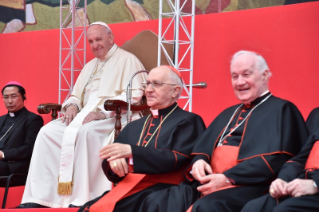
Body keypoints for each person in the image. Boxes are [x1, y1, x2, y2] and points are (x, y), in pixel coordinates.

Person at [18, 21, 146, 208]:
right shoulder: (90, 66)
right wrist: (71, 106)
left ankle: (83, 199)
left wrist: (102, 112)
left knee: (87, 133)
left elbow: (135, 94)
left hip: (113, 115)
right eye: (91, 41)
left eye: (99, 39)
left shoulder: (127, 60)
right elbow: (76, 96)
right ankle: (42, 198)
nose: (95, 45)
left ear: (110, 38)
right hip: (84, 115)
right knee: (47, 133)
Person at [184, 50, 309, 212]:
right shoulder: (228, 113)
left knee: (208, 205)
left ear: (264, 76)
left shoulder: (282, 109)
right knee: (171, 199)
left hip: (253, 185)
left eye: (246, 74)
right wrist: (199, 161)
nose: (239, 82)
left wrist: (228, 178)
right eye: (234, 76)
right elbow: (204, 148)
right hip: (210, 181)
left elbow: (276, 160)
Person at [77, 65, 206, 212]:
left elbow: (176, 158)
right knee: (88, 209)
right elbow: (110, 161)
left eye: (156, 84)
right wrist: (114, 162)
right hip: (133, 187)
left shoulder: (189, 121)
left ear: (175, 91)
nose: (149, 90)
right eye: (147, 84)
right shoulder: (135, 126)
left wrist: (132, 152)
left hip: (167, 188)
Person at [241, 107, 319, 212]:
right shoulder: (317, 114)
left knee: (284, 210)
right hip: (302, 186)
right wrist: (282, 180)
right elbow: (301, 158)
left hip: (314, 191)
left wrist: (315, 185)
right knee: (253, 207)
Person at [0, 81, 43, 176]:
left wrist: (3, 154)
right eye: (6, 97)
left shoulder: (33, 119)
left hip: (14, 165)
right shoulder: (1, 119)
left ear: (23, 97)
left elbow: (29, 149)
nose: (10, 101)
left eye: (13, 96)